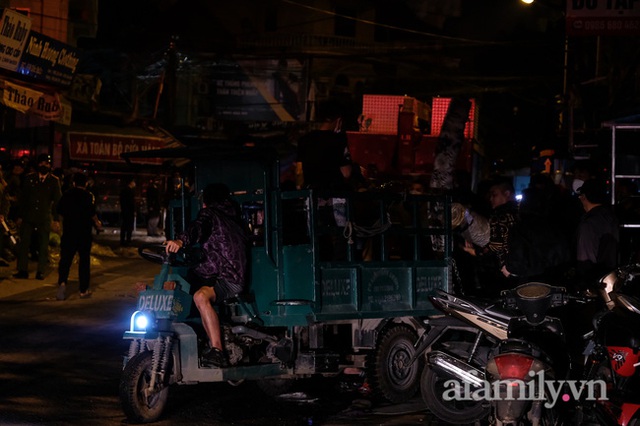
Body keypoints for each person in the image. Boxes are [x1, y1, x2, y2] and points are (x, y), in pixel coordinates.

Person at [165, 183, 247, 367]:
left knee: (200, 296)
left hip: (229, 278)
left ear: (206, 202)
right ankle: (201, 340)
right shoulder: (231, 217)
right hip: (223, 273)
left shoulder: (210, 215)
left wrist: (180, 240)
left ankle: (217, 350)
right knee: (183, 285)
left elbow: (198, 228)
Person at [463, 178, 519, 294]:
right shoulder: (522, 212)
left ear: (507, 194)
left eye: (494, 195)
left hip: (501, 272)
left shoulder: (499, 216)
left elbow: (496, 246)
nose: (491, 199)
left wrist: (476, 252)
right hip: (522, 269)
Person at [13, 154, 62, 280]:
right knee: (24, 244)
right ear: (38, 164)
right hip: (28, 216)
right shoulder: (29, 179)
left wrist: (56, 219)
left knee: (43, 245)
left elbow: (57, 202)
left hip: (44, 216)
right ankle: (22, 270)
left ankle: (40, 271)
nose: (43, 165)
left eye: (46, 163)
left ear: (50, 165)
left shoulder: (54, 181)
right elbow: (23, 199)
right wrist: (20, 216)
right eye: (41, 163)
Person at [56, 173, 103, 300]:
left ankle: (62, 282)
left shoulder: (67, 194)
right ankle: (83, 290)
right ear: (86, 184)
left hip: (69, 231)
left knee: (65, 259)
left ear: (74, 183)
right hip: (84, 233)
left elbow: (59, 211)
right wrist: (98, 224)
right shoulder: (88, 196)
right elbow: (92, 213)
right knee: (84, 261)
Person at [575, 178, 619, 289]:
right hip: (613, 278)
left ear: (584, 197)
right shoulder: (611, 217)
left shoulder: (588, 223)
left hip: (596, 283)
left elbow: (585, 258)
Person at [119, 176, 136, 246]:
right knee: (128, 226)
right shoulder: (129, 191)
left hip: (125, 211)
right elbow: (131, 202)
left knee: (124, 226)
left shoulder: (124, 190)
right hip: (129, 211)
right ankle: (127, 240)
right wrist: (134, 210)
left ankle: (123, 240)